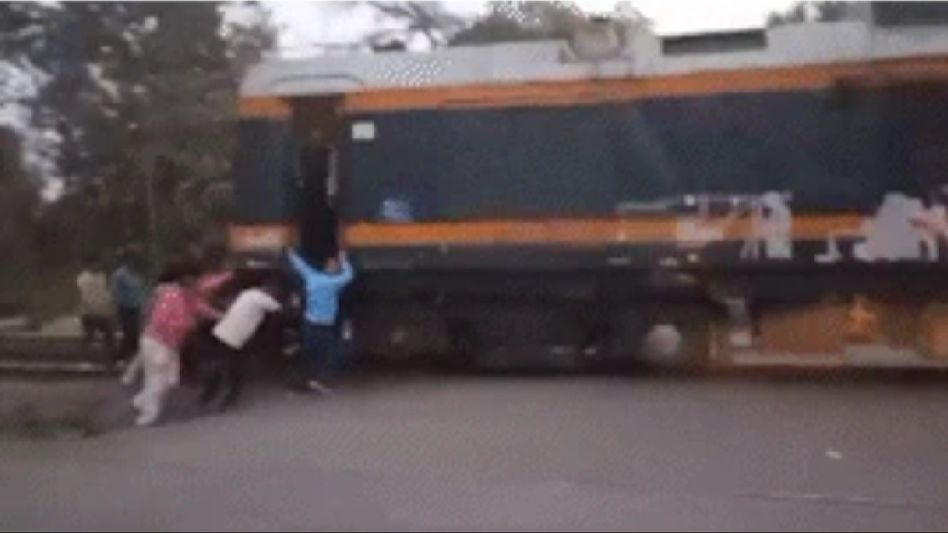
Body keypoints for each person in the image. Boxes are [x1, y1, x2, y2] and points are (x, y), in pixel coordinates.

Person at [128, 258, 209, 426]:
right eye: (197, 277)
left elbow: (199, 307)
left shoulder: (188, 294)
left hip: (171, 344)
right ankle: (148, 415)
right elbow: (160, 321)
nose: (199, 281)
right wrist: (188, 323)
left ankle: (141, 400)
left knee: (171, 380)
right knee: (156, 379)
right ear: (187, 278)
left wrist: (220, 315)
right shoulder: (171, 294)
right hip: (157, 342)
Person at [199, 277, 283, 411]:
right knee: (235, 367)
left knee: (218, 363)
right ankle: (230, 397)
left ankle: (208, 394)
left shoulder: (247, 293)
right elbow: (279, 310)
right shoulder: (264, 299)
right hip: (237, 337)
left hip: (221, 331)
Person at [287, 249, 354, 394]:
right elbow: (349, 275)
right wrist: (344, 261)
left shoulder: (312, 276)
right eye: (333, 265)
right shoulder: (334, 282)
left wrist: (290, 253)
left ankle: (304, 382)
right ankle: (317, 381)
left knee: (310, 352)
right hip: (323, 325)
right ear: (329, 268)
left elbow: (300, 266)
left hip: (310, 323)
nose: (334, 267)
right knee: (330, 353)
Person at [110, 247, 147, 367]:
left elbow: (140, 291)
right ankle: (118, 358)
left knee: (135, 333)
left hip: (136, 308)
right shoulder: (120, 275)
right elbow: (116, 294)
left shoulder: (137, 274)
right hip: (125, 308)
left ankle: (133, 359)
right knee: (129, 333)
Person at [76, 253, 116, 355]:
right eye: (95, 264)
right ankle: (82, 356)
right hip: (89, 312)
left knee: (109, 336)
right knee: (88, 336)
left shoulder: (102, 276)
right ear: (90, 264)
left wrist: (109, 307)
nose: (98, 266)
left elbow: (105, 293)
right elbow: (86, 296)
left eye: (98, 264)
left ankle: (110, 357)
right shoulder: (83, 278)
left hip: (102, 312)